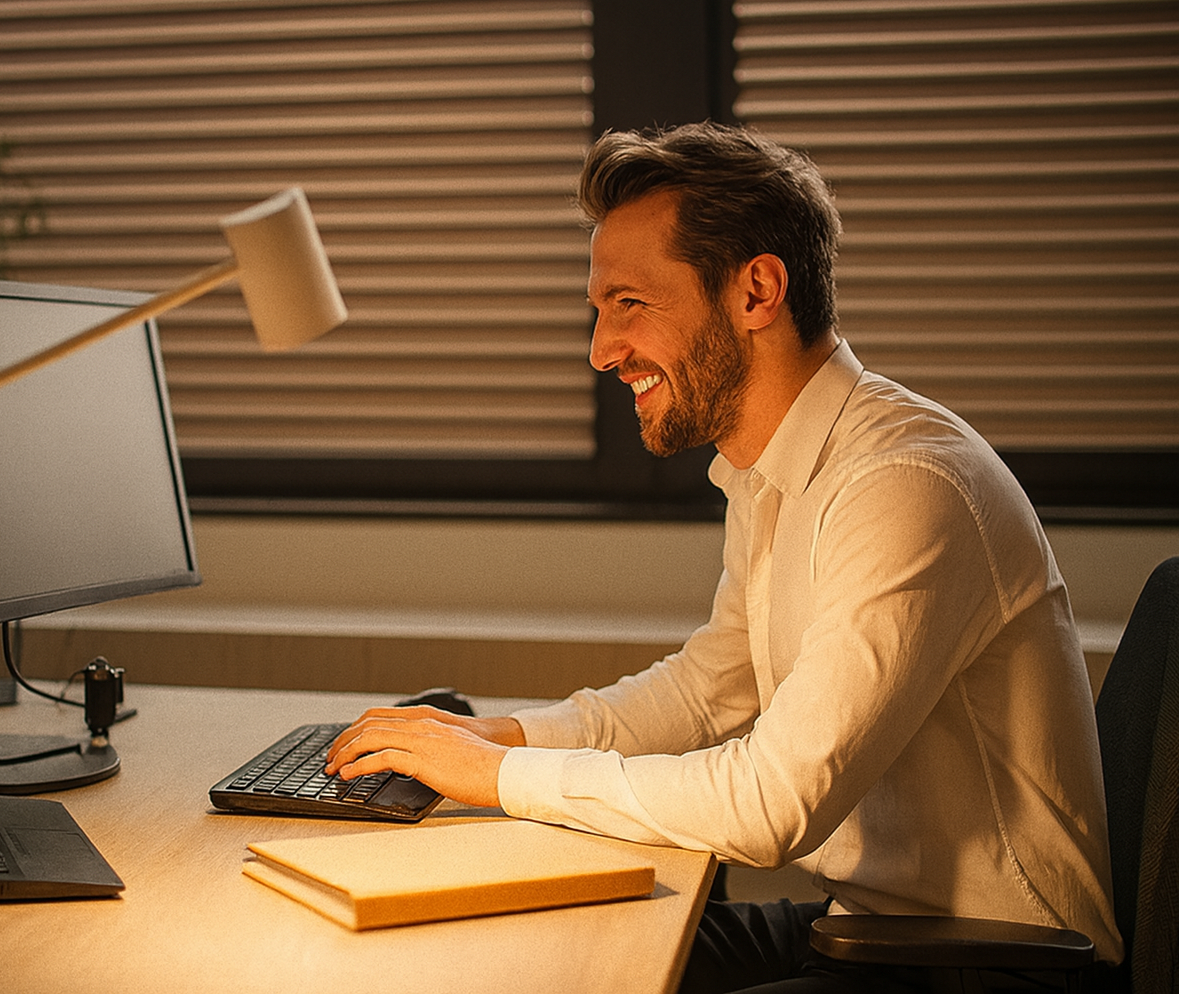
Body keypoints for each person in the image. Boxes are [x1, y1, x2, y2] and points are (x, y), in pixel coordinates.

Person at [325, 122, 1121, 992]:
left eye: (629, 303)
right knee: (535, 961)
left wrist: (504, 776)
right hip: (872, 927)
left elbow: (773, 805)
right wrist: (500, 736)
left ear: (756, 292)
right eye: (599, 310)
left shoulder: (904, 484)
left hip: (995, 965)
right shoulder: (774, 470)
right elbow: (711, 688)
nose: (601, 350)